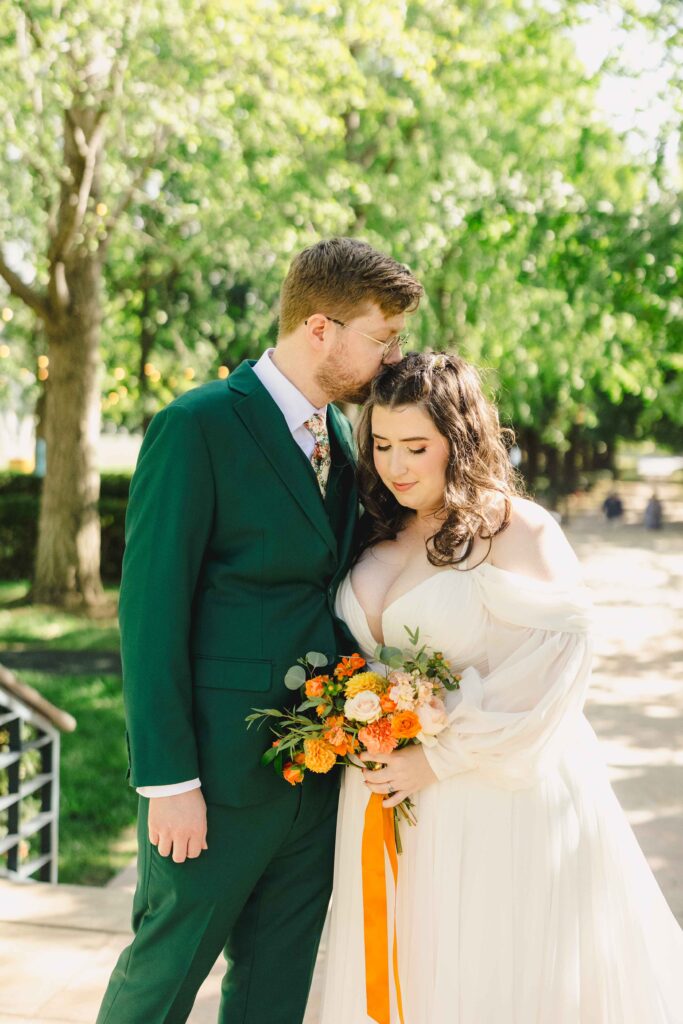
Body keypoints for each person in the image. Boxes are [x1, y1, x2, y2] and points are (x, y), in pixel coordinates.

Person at [96, 238, 422, 1024]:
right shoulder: (196, 425)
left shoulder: (343, 439)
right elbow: (150, 614)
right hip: (212, 778)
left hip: (314, 773)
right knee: (162, 978)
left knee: (274, 990)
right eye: (381, 338)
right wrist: (168, 783)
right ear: (321, 329)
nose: (390, 359)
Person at [320, 351, 683, 1023]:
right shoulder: (374, 526)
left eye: (416, 446)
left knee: (485, 975)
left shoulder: (514, 529)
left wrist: (434, 757)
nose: (395, 465)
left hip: (488, 795)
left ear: (457, 440)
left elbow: (557, 671)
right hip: (382, 802)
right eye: (381, 445)